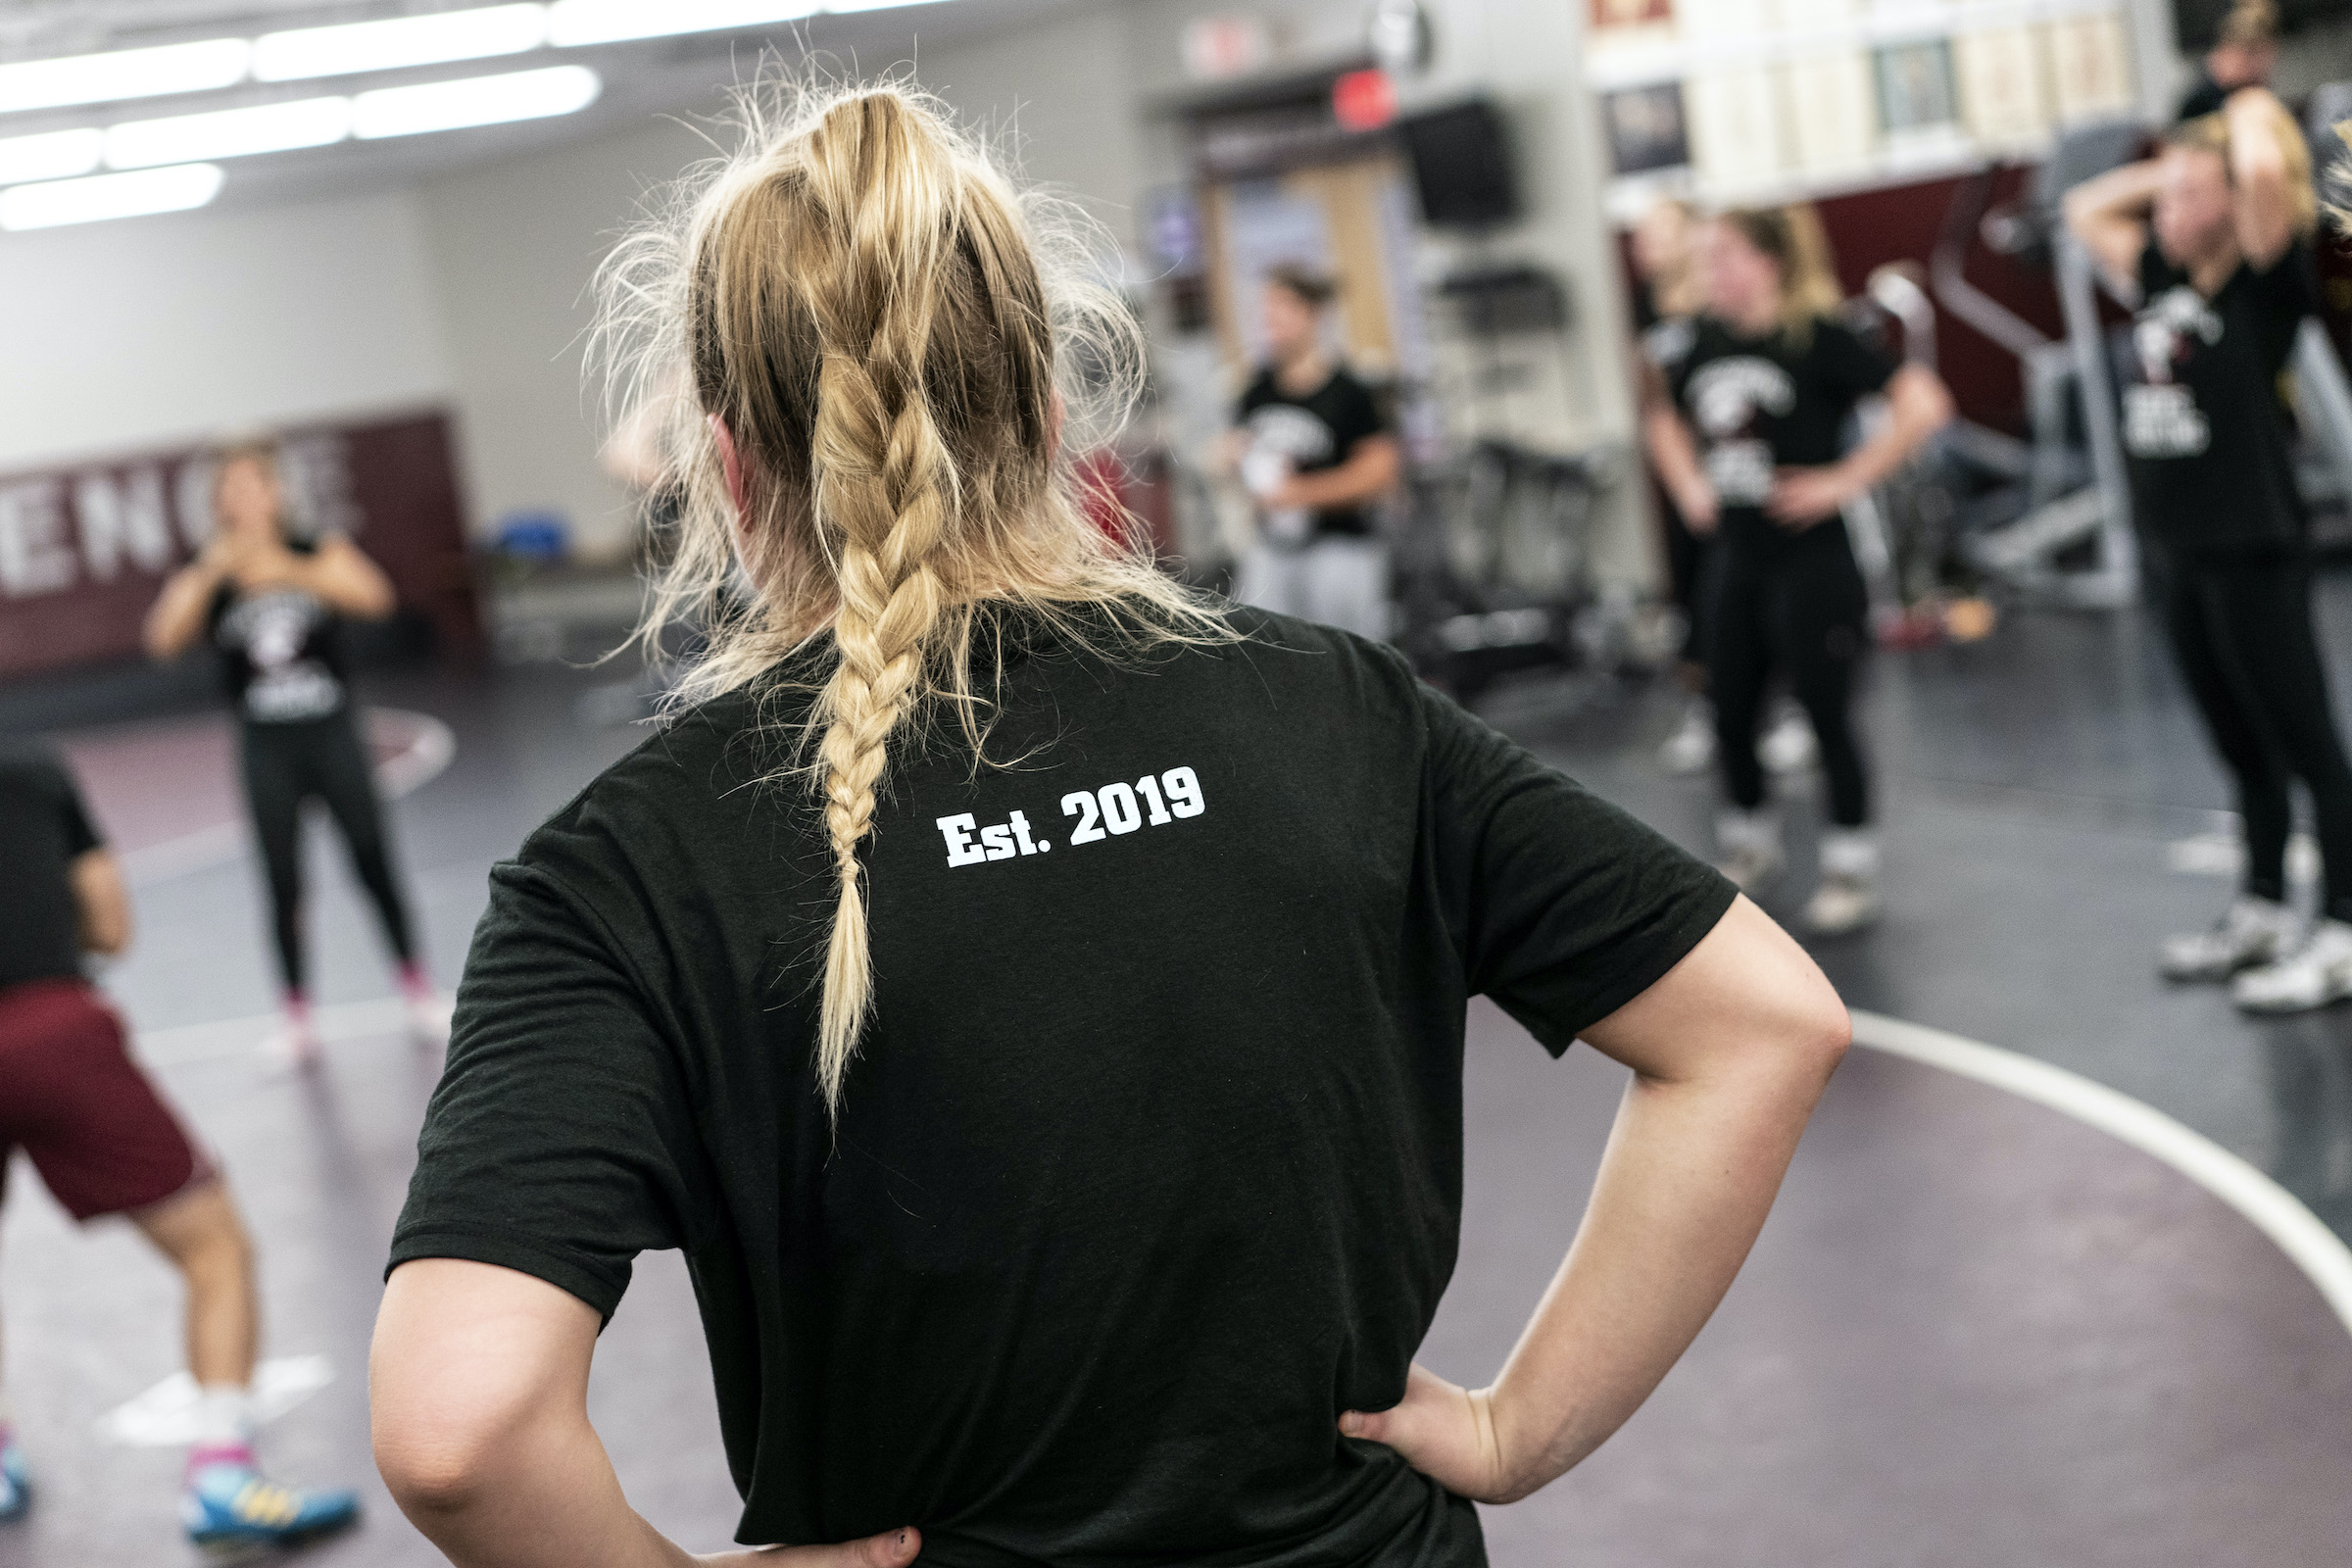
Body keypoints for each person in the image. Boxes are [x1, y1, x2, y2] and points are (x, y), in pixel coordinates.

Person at [368, 85, 1851, 1568]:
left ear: (729, 468)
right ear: (1052, 410)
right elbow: (1764, 1023)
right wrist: (1521, 1430)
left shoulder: (625, 870)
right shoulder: (1334, 709)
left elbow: (462, 1432)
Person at [0, 741, 359, 1545]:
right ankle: (222, 1473)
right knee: (214, 1249)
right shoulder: (32, 772)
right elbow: (110, 927)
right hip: (54, 1033)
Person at [2065, 92, 2352, 1010]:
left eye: (2189, 199)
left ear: (2232, 203)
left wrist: (2247, 109)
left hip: (2253, 547)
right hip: (2178, 553)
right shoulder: (2159, 276)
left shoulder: (2264, 286)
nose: (2164, 217)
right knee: (2240, 746)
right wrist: (2181, 171)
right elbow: (2082, 210)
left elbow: (2269, 170)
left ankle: (2344, 929)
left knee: (2309, 746)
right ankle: (2265, 905)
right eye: (2164, 201)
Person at [1643, 206, 1954, 935]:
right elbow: (1661, 414)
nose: (1709, 271)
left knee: (1825, 715)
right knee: (1728, 713)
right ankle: (1748, 850)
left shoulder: (1819, 338)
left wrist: (1845, 478)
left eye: (1722, 256)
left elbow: (1924, 402)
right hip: (1736, 558)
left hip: (1812, 560)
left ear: (1768, 263)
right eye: (1704, 258)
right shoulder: (1703, 342)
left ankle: (1850, 864)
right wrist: (1687, 483)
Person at [143, 437, 438, 1060]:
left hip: (331, 732)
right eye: (232, 487)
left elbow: (375, 597)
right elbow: (162, 640)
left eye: (256, 483)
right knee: (282, 881)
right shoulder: (210, 569)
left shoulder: (315, 548)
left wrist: (288, 571)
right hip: (265, 743)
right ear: (218, 501)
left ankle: (416, 989)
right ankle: (297, 1017)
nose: (245, 497)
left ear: (278, 491)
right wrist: (212, 573)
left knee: (371, 858)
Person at [1227, 262, 1401, 640]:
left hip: (1339, 549)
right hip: (1273, 550)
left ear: (1311, 313)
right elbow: (1243, 452)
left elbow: (1379, 473)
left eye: (1282, 308)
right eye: (1266, 309)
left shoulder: (1349, 393)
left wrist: (1301, 494)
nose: (1270, 319)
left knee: (1348, 655)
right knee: (1260, 646)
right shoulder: (1257, 390)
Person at [2175, 0, 2278, 123]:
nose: (2261, 65)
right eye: (2251, 54)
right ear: (2224, 51)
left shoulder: (2255, 97)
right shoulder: (2198, 104)